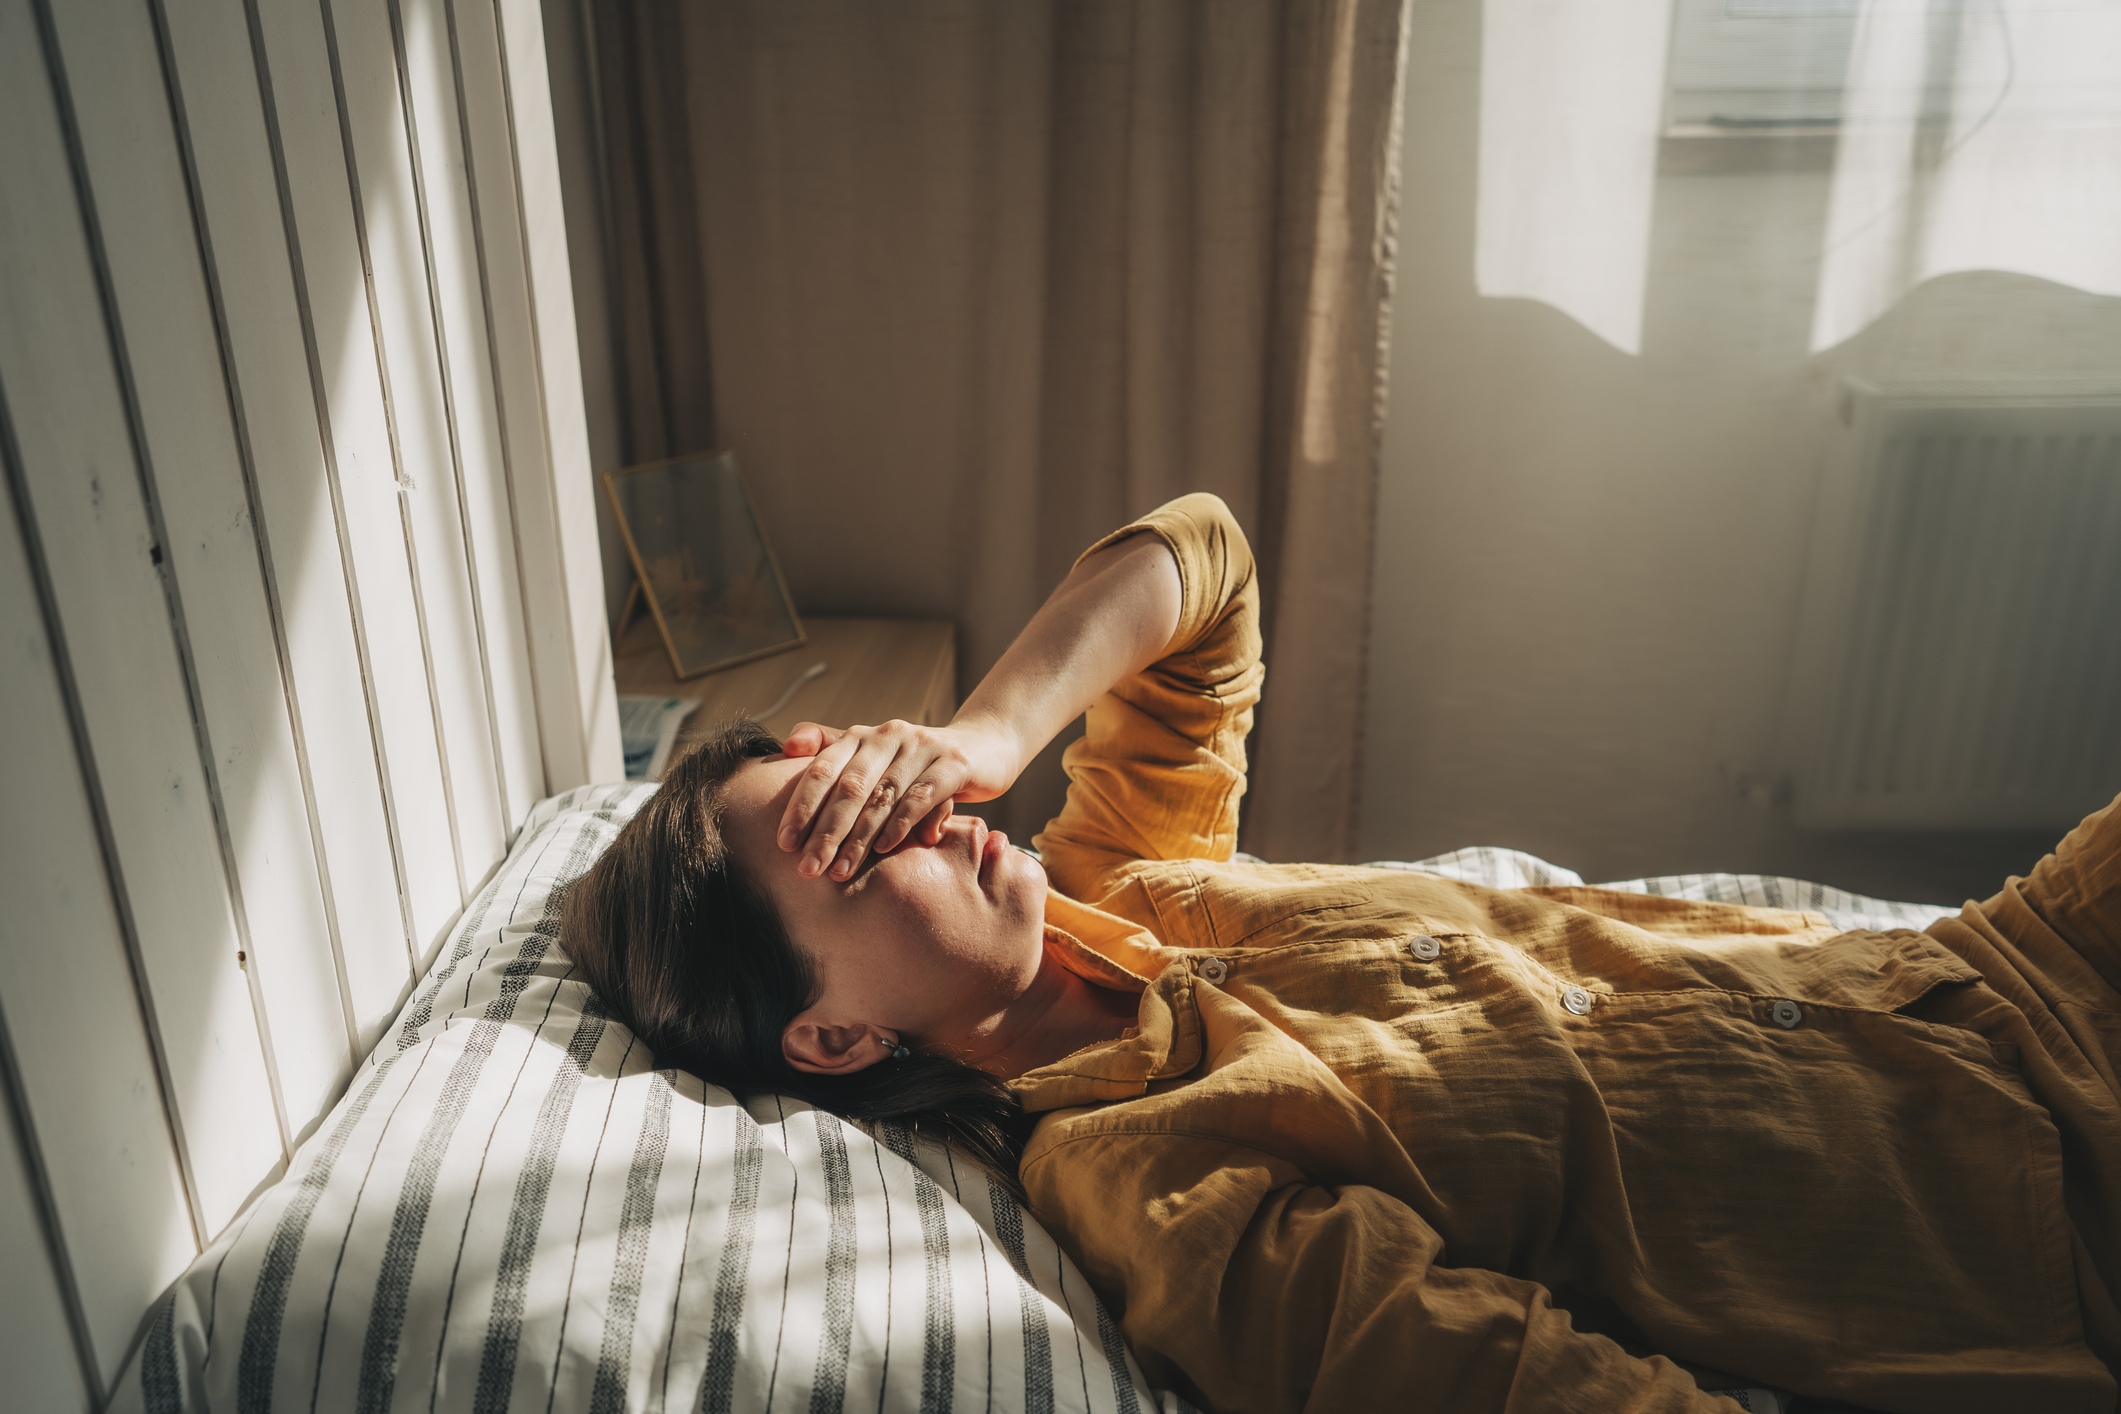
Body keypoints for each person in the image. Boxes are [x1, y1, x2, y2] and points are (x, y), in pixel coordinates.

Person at [562, 494, 2121, 1413]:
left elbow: (1205, 556)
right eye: (856, 839)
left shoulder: (1128, 874)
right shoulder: (1160, 1187)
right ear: (830, 1037)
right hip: (2045, 1219)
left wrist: (979, 730)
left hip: (2009, 959)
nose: (928, 814)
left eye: (881, 774)